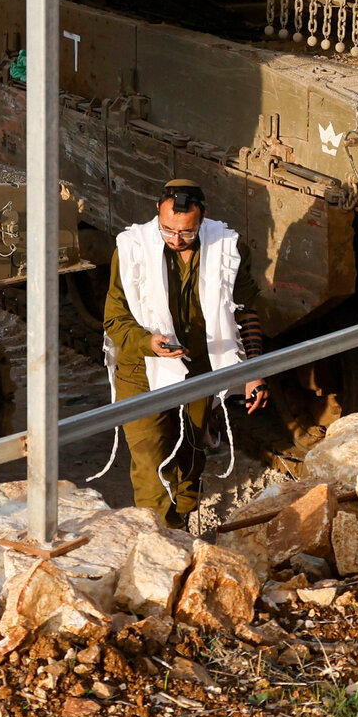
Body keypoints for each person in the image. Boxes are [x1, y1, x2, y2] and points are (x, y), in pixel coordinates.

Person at [100, 179, 266, 527]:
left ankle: (183, 515)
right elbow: (114, 320)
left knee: (192, 450)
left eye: (187, 232)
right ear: (156, 217)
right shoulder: (131, 250)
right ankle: (160, 538)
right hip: (141, 369)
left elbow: (245, 310)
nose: (176, 240)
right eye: (167, 230)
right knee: (150, 457)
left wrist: (253, 370)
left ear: (203, 217)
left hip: (201, 368)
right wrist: (149, 343)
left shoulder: (228, 249)